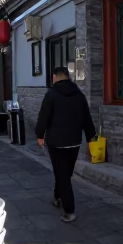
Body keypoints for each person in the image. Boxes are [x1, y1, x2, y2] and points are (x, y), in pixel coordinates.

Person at [34, 67, 98, 223]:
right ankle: (57, 197)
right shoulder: (79, 95)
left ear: (55, 77)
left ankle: (69, 211)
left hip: (57, 143)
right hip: (74, 142)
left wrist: (39, 135)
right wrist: (91, 137)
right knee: (64, 173)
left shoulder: (51, 95)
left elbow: (43, 117)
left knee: (63, 175)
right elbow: (87, 118)